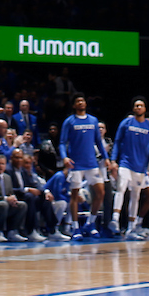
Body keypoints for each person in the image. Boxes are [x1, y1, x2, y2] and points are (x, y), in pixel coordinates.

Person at [58, 92, 111, 240]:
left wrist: (106, 158)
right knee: (74, 196)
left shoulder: (93, 120)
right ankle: (75, 228)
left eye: (82, 100)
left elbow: (98, 141)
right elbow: (62, 142)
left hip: (91, 163)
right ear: (74, 105)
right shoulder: (69, 121)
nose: (81, 103)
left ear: (86, 103)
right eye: (78, 101)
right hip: (76, 164)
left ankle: (90, 223)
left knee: (100, 193)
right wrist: (64, 157)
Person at [109, 96, 149, 240]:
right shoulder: (126, 123)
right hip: (125, 163)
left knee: (136, 196)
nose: (138, 107)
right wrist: (113, 160)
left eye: (141, 105)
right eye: (136, 105)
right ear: (133, 108)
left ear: (145, 108)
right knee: (121, 188)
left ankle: (131, 228)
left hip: (140, 167)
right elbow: (117, 142)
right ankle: (115, 219)